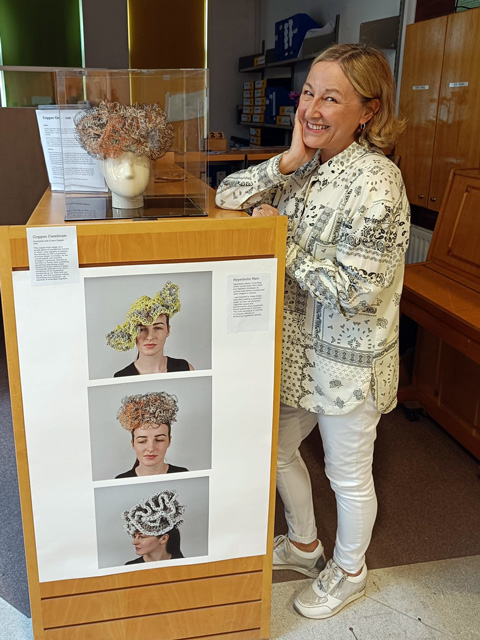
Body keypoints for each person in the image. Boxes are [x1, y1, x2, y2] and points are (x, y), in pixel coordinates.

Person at [216, 43, 410, 620]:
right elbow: (227, 197)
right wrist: (288, 159)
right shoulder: (309, 168)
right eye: (308, 93)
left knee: (347, 474)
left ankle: (350, 570)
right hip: (298, 354)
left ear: (369, 110)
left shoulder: (379, 181)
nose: (313, 109)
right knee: (276, 450)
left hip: (349, 362)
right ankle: (305, 545)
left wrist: (282, 240)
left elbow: (359, 293)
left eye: (332, 98)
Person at [106, 281, 194, 376]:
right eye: (142, 329)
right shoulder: (121, 378)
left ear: (168, 330)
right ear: (132, 332)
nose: (150, 337)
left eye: (158, 328)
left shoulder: (186, 369)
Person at [115, 391, 188, 478]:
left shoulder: (183, 475)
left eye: (159, 440)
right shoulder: (121, 481)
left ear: (169, 441)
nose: (151, 448)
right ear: (133, 444)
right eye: (142, 441)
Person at [122, 490, 185, 563]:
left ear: (163, 538)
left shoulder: (184, 567)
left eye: (142, 537)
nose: (134, 542)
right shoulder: (131, 568)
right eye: (134, 536)